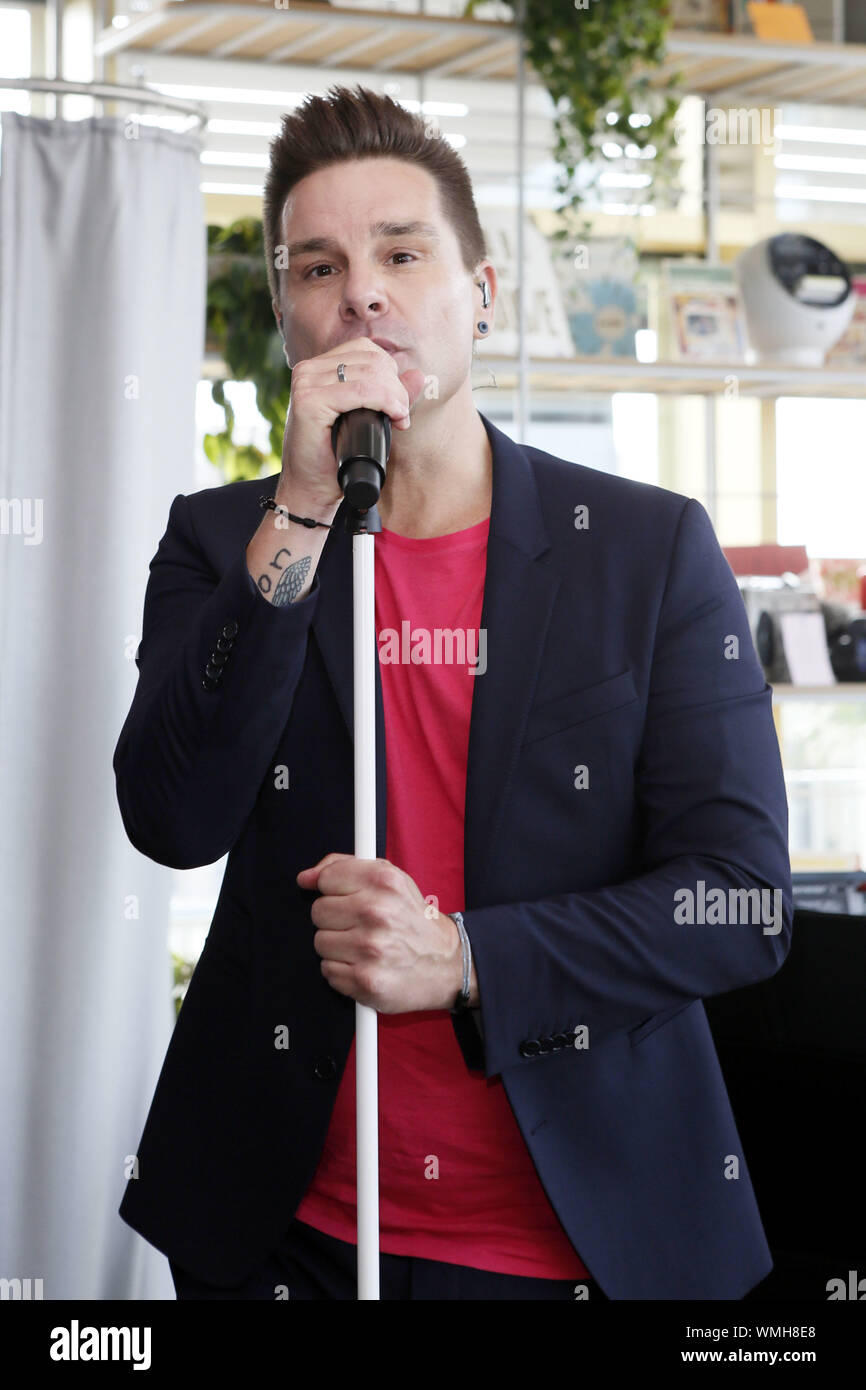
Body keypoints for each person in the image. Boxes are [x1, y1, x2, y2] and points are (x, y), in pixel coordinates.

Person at [114, 84, 793, 1301]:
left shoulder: (640, 550)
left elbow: (739, 903)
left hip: (572, 1241)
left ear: (478, 295)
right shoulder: (229, 541)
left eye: (400, 252)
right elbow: (172, 816)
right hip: (287, 1234)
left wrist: (467, 957)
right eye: (316, 267)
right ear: (286, 320)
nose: (360, 292)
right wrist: (306, 509)